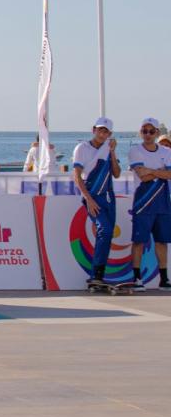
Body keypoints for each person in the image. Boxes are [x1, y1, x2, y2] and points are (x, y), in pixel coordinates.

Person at [73, 117, 122, 290]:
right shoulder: (82, 148)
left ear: (110, 134)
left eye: (106, 131)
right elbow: (77, 175)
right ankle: (96, 274)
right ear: (94, 130)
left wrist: (113, 152)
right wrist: (88, 199)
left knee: (107, 234)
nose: (102, 134)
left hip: (108, 197)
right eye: (100, 130)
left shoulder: (108, 149)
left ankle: (99, 275)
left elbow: (116, 173)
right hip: (93, 195)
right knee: (105, 229)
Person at [127, 117, 171, 291]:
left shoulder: (166, 151)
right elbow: (142, 176)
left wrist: (151, 171)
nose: (148, 134)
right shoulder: (135, 151)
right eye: (144, 131)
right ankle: (137, 278)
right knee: (139, 241)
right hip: (143, 202)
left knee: (162, 241)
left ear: (157, 133)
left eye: (151, 131)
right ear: (140, 132)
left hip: (162, 202)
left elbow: (169, 175)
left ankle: (164, 279)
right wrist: (160, 171)